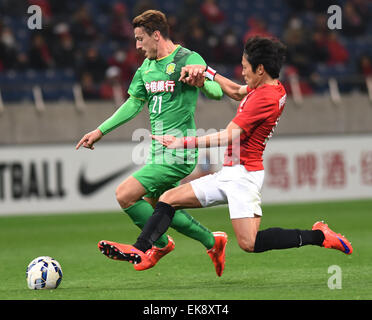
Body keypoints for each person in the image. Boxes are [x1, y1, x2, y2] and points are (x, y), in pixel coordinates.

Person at [107, 36, 353, 273]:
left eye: (245, 67)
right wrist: (208, 73)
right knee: (168, 199)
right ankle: (141, 249)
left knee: (250, 243)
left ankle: (320, 236)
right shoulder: (268, 87)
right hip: (231, 172)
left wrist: (182, 143)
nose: (242, 70)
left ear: (260, 69)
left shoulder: (263, 99)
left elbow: (227, 136)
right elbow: (236, 91)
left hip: (243, 177)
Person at [75, 10, 227, 275]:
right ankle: (213, 241)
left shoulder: (187, 58)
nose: (137, 45)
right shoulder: (145, 68)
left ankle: (159, 244)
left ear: (156, 35)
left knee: (125, 194)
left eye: (140, 39)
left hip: (179, 153)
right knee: (162, 205)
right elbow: (133, 104)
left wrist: (202, 81)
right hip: (157, 152)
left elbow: (216, 93)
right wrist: (100, 130)